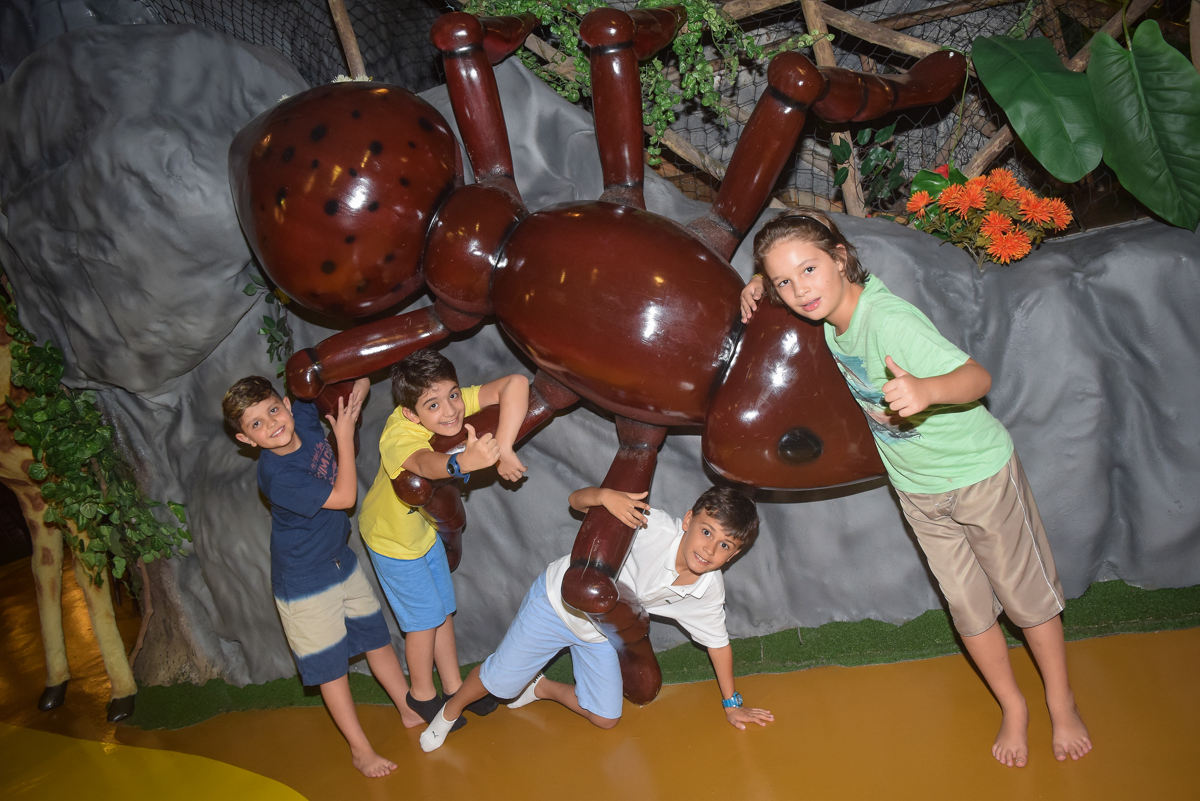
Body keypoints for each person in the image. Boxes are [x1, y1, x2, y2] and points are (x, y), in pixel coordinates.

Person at [740, 209, 1092, 767]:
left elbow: (979, 379)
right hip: (919, 491)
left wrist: (927, 389)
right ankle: (1013, 706)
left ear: (840, 257)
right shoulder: (826, 314)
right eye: (786, 280)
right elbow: (792, 273)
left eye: (809, 269)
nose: (799, 289)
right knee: (969, 611)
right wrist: (762, 282)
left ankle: (1061, 700)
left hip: (978, 477)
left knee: (1026, 601)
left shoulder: (889, 321)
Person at [418, 484, 774, 753]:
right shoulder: (652, 526)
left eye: (725, 545)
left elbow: (718, 644)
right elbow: (575, 500)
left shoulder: (707, 589)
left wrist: (732, 705)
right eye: (707, 531)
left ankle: (539, 687)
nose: (710, 549)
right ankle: (449, 711)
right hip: (559, 603)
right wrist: (604, 496)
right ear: (687, 522)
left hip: (600, 633)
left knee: (606, 718)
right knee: (499, 682)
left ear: (734, 554)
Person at [222, 376, 421, 778]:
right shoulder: (279, 476)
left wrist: (357, 396)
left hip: (338, 560)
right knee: (332, 668)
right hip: (304, 582)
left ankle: (408, 706)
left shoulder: (307, 421)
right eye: (256, 424)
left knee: (376, 638)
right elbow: (345, 499)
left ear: (286, 404)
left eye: (272, 410)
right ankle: (360, 749)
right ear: (246, 440)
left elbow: (354, 379)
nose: (271, 424)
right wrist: (343, 434)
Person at [358, 348, 530, 727]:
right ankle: (422, 694)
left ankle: (453, 686)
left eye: (453, 395)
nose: (450, 411)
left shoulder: (451, 405)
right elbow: (422, 464)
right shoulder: (397, 433)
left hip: (422, 531)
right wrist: (461, 462)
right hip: (391, 541)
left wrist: (503, 448)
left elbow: (515, 384)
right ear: (410, 412)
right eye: (432, 405)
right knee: (423, 621)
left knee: (443, 611)